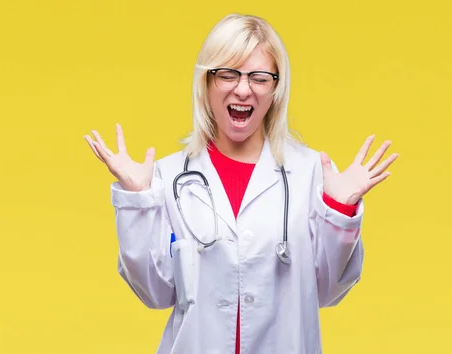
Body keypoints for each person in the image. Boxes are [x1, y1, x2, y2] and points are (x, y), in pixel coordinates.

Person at [84, 13, 398, 354]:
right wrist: (137, 200)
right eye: (228, 74)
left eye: (259, 77)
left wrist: (339, 210)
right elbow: (154, 292)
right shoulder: (170, 176)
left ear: (276, 88)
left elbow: (327, 291)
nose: (243, 89)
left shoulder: (310, 172)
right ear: (206, 82)